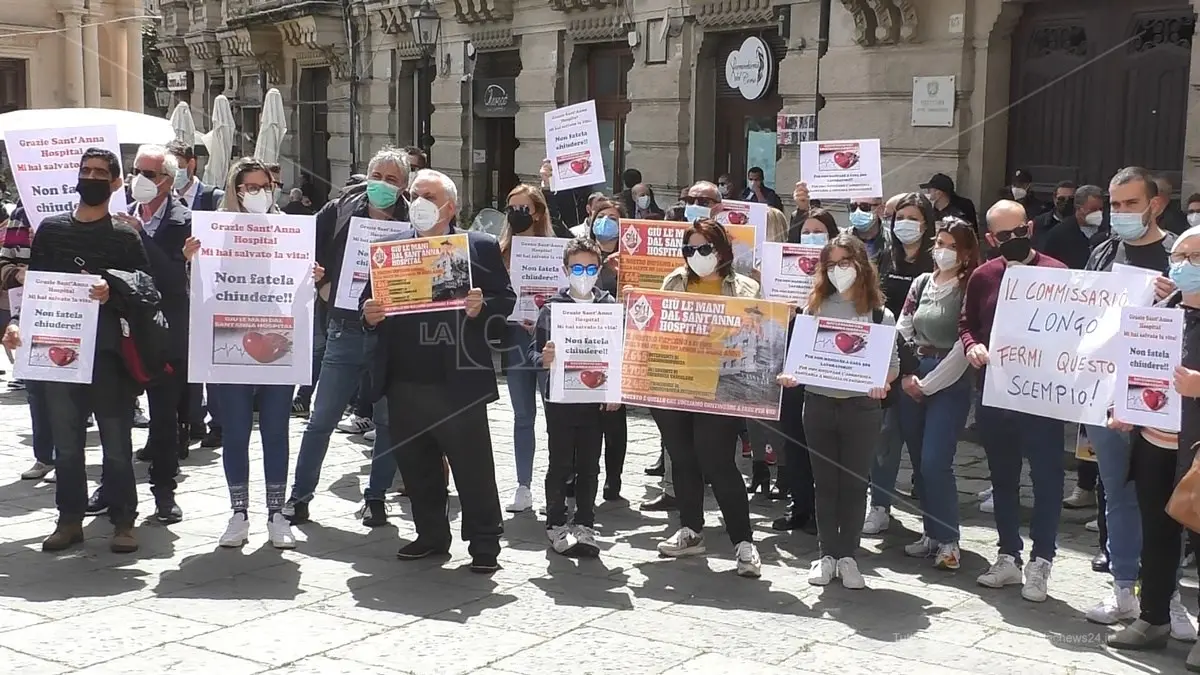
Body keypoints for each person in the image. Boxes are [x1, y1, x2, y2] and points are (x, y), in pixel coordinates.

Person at [361, 169, 513, 573]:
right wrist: (370, 314)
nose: (418, 202)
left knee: (473, 467)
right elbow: (368, 304)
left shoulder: (477, 247)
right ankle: (430, 534)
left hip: (458, 381)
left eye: (427, 195)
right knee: (417, 465)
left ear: (450, 205)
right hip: (404, 378)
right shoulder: (389, 248)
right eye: (413, 195)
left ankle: (484, 544)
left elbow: (506, 299)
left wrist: (484, 306)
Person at [2, 148, 150, 553]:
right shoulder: (50, 229)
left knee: (116, 444)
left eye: (100, 172)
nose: (91, 177)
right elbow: (35, 289)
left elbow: (146, 290)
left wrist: (113, 289)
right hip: (57, 353)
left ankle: (123, 521)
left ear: (116, 182)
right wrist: (15, 324)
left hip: (109, 356)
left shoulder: (125, 234)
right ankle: (69, 520)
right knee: (66, 445)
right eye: (85, 170)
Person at [182, 157, 311, 549]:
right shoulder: (213, 230)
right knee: (235, 433)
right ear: (236, 190)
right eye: (251, 187)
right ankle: (238, 513)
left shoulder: (289, 230)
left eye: (266, 186)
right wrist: (191, 262)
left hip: (279, 342)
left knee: (276, 432)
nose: (260, 193)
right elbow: (202, 290)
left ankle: (276, 513)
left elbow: (295, 286)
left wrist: (311, 275)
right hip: (230, 342)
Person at [284, 147, 407, 528]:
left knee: (388, 422)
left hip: (393, 336)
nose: (383, 186)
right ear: (366, 176)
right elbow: (300, 248)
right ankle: (299, 497)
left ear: (404, 187)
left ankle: (375, 499)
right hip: (345, 329)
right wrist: (321, 282)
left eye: (392, 180)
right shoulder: (339, 211)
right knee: (322, 419)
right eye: (378, 176)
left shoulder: (412, 221)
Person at [1082, 166, 1178, 625]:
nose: (1119, 213)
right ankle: (1124, 589)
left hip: (1166, 402)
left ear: (1155, 205)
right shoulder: (1102, 252)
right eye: (1114, 205)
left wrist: (1181, 296)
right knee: (1116, 492)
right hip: (1107, 396)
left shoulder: (1182, 254)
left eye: (1130, 204)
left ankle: (1165, 596)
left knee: (1163, 500)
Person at [960, 199, 1067, 602]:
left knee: (1047, 479)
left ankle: (1042, 560)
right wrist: (973, 346)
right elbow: (967, 323)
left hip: (1044, 397)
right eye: (1004, 236)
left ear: (1030, 229)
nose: (1013, 239)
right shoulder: (984, 276)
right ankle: (1008, 555)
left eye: (1019, 232)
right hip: (997, 393)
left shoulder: (1058, 273)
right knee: (1002, 478)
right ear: (991, 239)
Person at [779, 233, 898, 589]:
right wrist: (791, 374)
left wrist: (884, 382)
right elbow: (799, 357)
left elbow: (891, 364)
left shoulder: (879, 313)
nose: (838, 271)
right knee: (825, 483)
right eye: (831, 264)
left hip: (862, 408)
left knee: (854, 484)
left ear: (861, 265)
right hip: (817, 404)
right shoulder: (813, 307)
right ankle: (825, 554)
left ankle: (848, 555)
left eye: (845, 262)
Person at [650, 217, 762, 578]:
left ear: (722, 251)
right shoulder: (674, 281)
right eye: (689, 249)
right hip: (675, 383)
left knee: (718, 463)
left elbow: (756, 338)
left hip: (721, 386)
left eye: (704, 248)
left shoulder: (746, 288)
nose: (696, 255)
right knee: (682, 459)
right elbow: (655, 330)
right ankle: (691, 530)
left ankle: (743, 543)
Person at [1108, 225, 1200, 659]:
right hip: (1154, 444)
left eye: (1194, 259)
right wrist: (1123, 408)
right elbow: (1129, 364)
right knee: (1157, 533)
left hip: (1196, 452)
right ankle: (1153, 617)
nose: (1181, 266)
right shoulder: (1160, 310)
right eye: (1178, 257)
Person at [897, 217, 980, 569]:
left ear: (964, 254)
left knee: (936, 461)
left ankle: (949, 539)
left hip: (949, 379)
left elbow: (964, 344)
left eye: (951, 245)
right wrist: (908, 369)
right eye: (939, 243)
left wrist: (928, 384)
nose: (942, 251)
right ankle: (930, 531)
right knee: (918, 460)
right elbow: (904, 323)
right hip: (915, 370)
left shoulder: (968, 287)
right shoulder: (921, 282)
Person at [530, 237, 619, 557]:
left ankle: (585, 522)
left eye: (590, 267)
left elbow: (617, 353)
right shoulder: (553, 309)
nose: (584, 273)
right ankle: (555, 522)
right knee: (560, 462)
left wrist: (615, 391)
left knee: (590, 463)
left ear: (600, 269)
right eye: (577, 267)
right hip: (560, 400)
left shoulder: (609, 306)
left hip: (594, 401)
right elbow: (531, 354)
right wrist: (545, 358)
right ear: (565, 270)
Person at [119, 144, 191, 523]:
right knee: (114, 418)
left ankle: (164, 490)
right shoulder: (119, 214)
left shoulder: (185, 220)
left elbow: (174, 277)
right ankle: (112, 486)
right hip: (121, 333)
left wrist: (140, 237)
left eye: (149, 174)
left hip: (166, 334)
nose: (139, 180)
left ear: (167, 181)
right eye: (136, 172)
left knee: (163, 419)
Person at [864, 192, 937, 536]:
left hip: (923, 365)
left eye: (913, 219)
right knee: (884, 439)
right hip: (886, 360)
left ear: (927, 225)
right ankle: (879, 505)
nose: (905, 225)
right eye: (900, 218)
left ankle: (931, 518)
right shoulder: (885, 261)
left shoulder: (934, 264)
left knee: (922, 444)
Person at [500, 184, 561, 513]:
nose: (515, 214)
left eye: (523, 208)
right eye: (511, 207)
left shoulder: (556, 250)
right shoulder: (500, 250)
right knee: (523, 415)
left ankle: (559, 480)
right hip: (515, 339)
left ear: (537, 212)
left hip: (548, 341)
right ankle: (523, 486)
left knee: (555, 415)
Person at [167, 140, 224, 449]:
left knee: (212, 361)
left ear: (191, 164)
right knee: (185, 362)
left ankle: (218, 423)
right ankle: (191, 420)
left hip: (211, 293)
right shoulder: (163, 203)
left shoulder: (212, 198)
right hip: (179, 293)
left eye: (176, 166)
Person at [0, 202, 53, 480]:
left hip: (70, 309)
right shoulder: (19, 216)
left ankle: (69, 457)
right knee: (36, 389)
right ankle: (45, 457)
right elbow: (4, 260)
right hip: (27, 310)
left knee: (71, 393)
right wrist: (16, 274)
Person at [583, 196, 628, 500]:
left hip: (618, 342)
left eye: (613, 217)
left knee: (614, 415)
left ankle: (614, 476)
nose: (606, 221)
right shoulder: (584, 254)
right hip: (585, 340)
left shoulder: (630, 257)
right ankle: (583, 472)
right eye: (602, 216)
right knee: (584, 413)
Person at [1042, 184, 1106, 270]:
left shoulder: (1108, 231)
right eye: (1093, 209)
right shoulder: (1058, 235)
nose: (1098, 213)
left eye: (1101, 209)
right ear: (1078, 208)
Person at [1031, 181, 1077, 251]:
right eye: (1061, 199)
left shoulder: (1081, 224)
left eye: (1071, 199)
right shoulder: (1039, 222)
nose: (1066, 202)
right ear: (1054, 198)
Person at [846, 196, 889, 266]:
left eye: (864, 207)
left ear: (881, 209)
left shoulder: (893, 240)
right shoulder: (841, 239)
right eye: (853, 207)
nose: (857, 211)